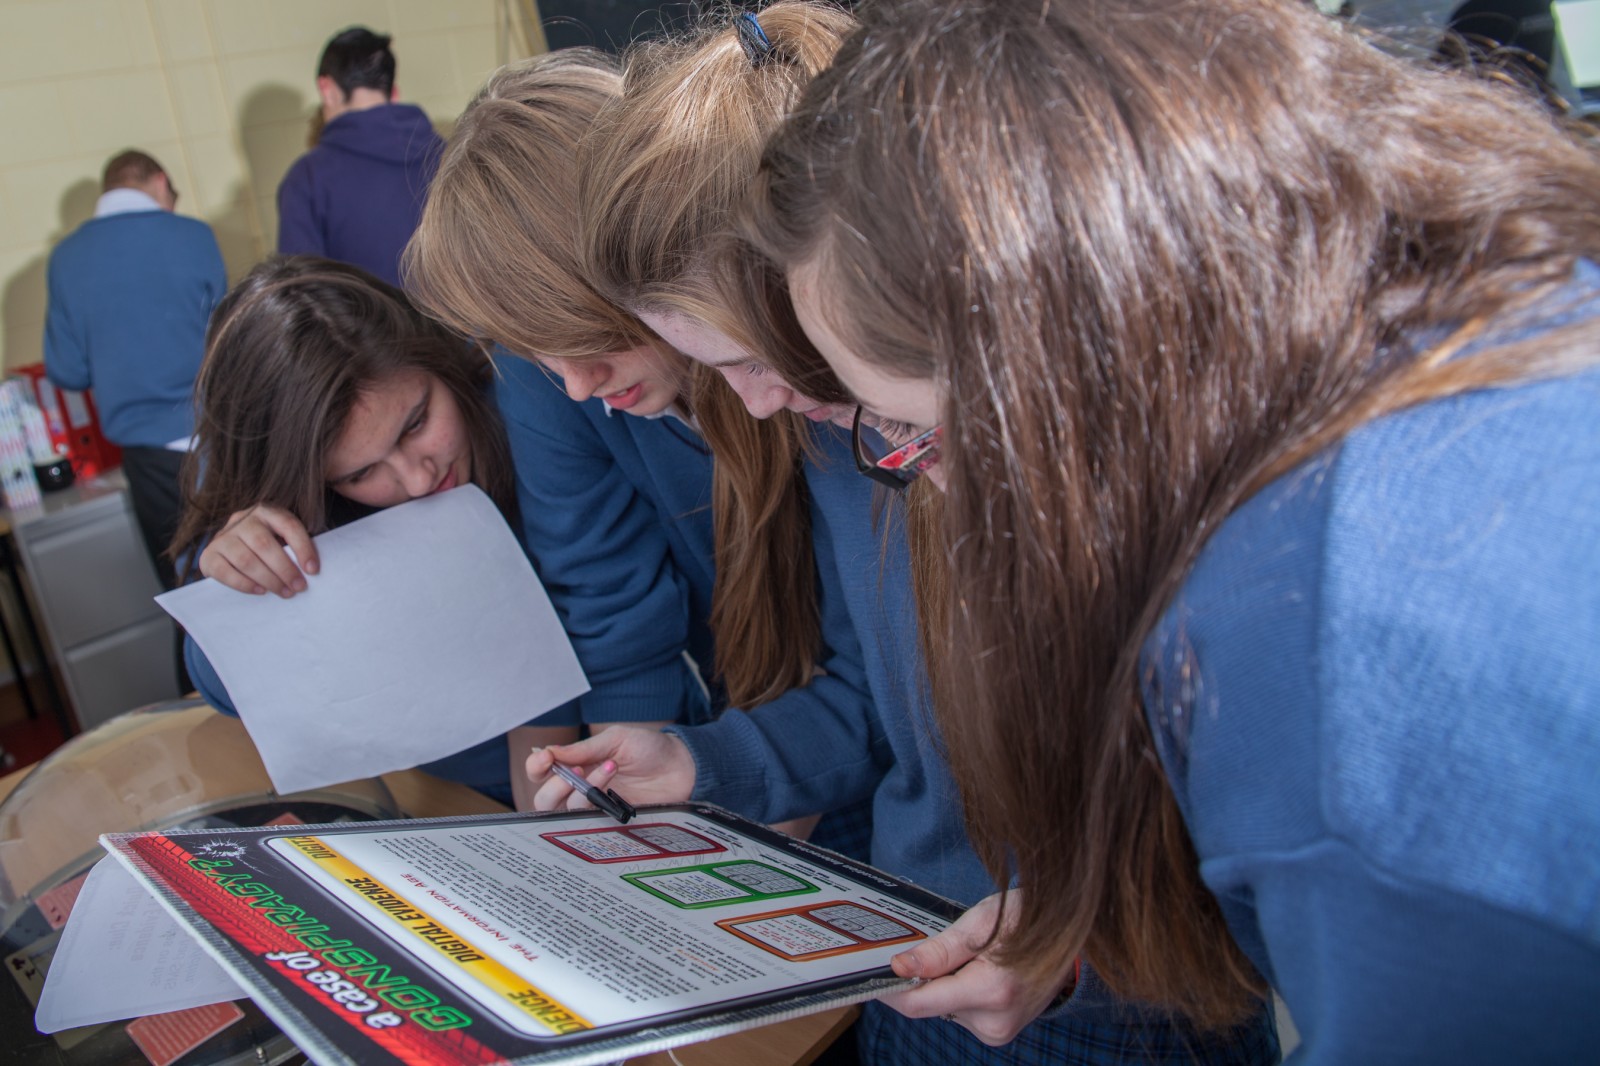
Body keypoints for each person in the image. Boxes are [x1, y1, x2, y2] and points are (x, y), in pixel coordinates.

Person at [743, 0, 1600, 1060]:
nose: (933, 485)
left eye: (923, 430)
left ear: (1071, 362)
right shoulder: (1487, 311)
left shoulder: (1316, 666)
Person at [529, 6, 1277, 1062]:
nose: (750, 405)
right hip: (914, 941)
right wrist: (704, 760)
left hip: (1118, 1002)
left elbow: (1231, 797)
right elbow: (879, 697)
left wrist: (1082, 940)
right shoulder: (844, 431)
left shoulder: (1070, 455)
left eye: (751, 360)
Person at [405, 42, 874, 857]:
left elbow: (876, 690)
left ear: (647, 266)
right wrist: (617, 819)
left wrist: (746, 803)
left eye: (590, 339)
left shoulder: (813, 384)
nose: (576, 385)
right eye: (538, 351)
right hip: (750, 753)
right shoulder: (555, 378)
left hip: (844, 771)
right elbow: (611, 610)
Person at [170, 255, 579, 808]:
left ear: (438, 361)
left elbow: (565, 655)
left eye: (417, 423)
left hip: (578, 776)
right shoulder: (288, 508)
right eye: (360, 474)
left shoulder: (527, 417)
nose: (417, 479)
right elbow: (223, 691)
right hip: (433, 794)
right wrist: (238, 581)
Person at [45, 149, 227, 600]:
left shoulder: (66, 258)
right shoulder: (193, 235)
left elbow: (67, 371)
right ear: (161, 182)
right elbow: (230, 337)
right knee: (260, 575)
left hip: (151, 460)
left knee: (190, 596)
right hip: (223, 437)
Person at [277, 27, 442, 287]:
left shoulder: (308, 179)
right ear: (393, 92)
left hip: (370, 316)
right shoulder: (451, 156)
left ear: (326, 89)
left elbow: (302, 295)